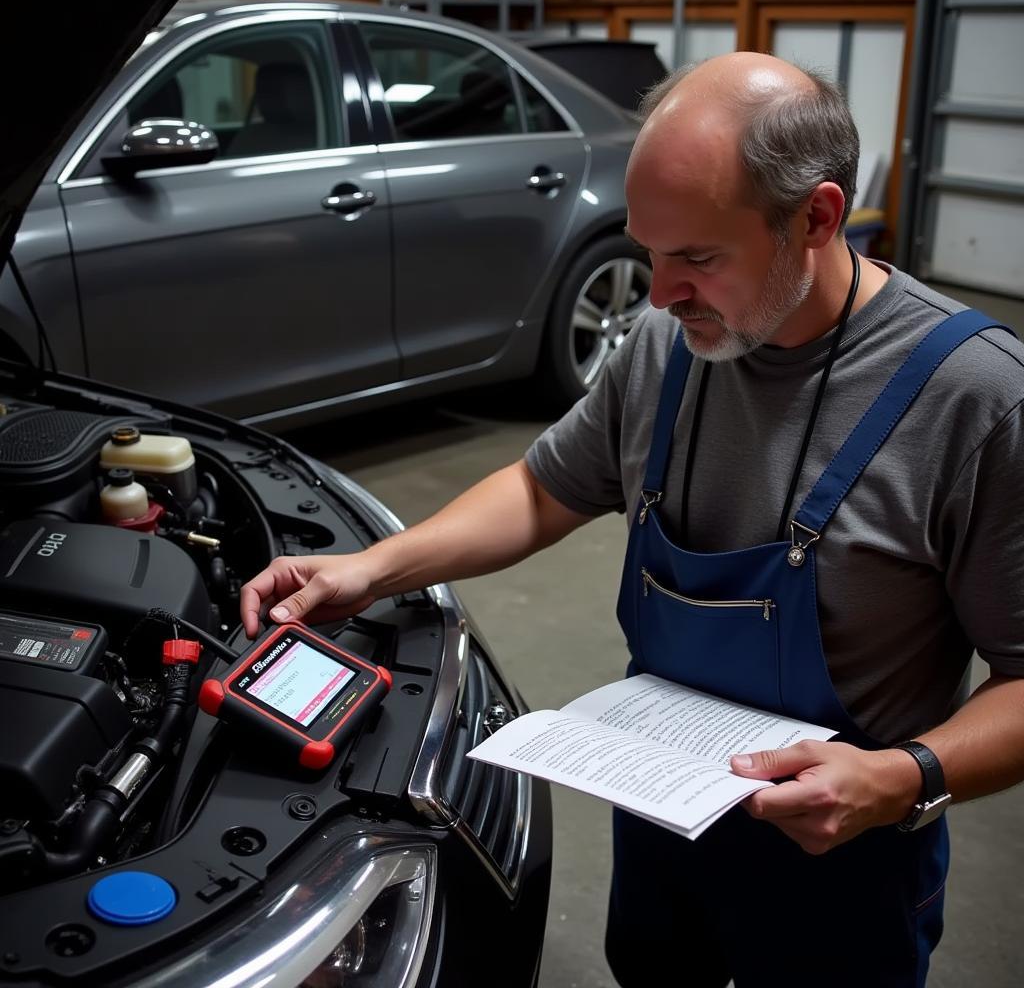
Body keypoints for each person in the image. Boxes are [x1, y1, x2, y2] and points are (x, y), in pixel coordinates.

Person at [240, 53, 1024, 986]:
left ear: (816, 217)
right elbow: (544, 488)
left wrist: (906, 778)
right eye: (648, 252)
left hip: (845, 862)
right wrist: (374, 567)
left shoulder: (973, 401)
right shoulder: (669, 345)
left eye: (696, 258)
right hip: (661, 822)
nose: (657, 295)